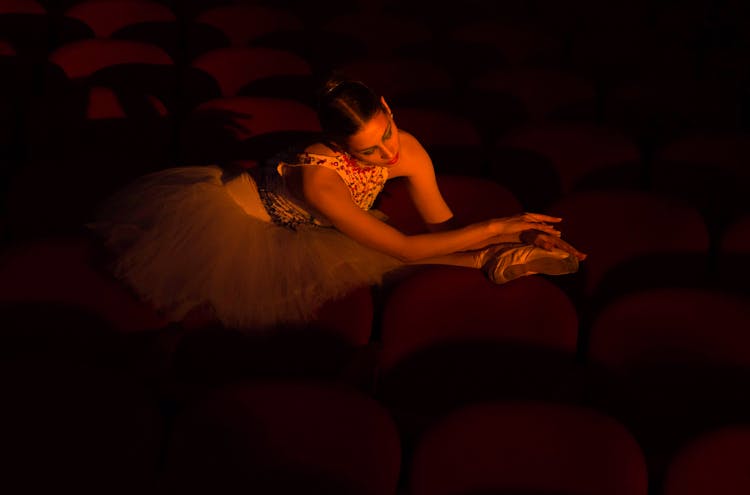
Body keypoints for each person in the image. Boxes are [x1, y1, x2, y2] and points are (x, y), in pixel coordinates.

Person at [87, 76, 587, 332]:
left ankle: (496, 258)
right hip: (237, 219)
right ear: (337, 143)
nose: (387, 153)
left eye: (387, 133)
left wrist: (509, 233)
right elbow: (409, 252)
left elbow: (440, 226)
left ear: (388, 109)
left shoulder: (406, 147)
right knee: (188, 311)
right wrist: (501, 226)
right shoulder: (319, 182)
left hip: (308, 227)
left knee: (383, 253)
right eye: (368, 150)